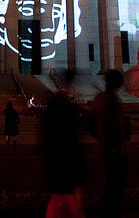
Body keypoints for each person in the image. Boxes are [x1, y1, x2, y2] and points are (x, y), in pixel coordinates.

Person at [43, 76, 86, 218]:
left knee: (59, 203)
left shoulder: (51, 125)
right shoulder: (69, 123)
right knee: (70, 204)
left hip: (57, 173)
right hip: (68, 172)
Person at [91, 69, 129, 217]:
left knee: (111, 184)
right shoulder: (112, 100)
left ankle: (108, 211)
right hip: (115, 150)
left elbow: (92, 125)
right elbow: (115, 126)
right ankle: (111, 212)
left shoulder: (99, 99)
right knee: (115, 186)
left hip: (105, 148)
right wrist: (116, 147)